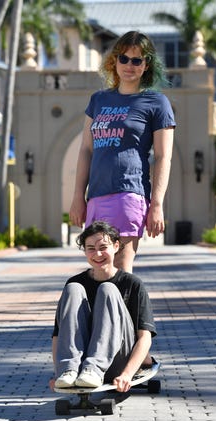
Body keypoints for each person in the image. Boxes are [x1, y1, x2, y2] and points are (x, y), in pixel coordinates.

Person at [69, 30, 176, 272]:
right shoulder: (98, 100)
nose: (129, 65)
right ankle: (105, 311)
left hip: (129, 195)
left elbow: (163, 157)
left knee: (120, 267)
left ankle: (123, 311)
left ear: (146, 65)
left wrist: (156, 204)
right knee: (100, 268)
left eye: (137, 60)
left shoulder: (157, 103)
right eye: (124, 58)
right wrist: (78, 196)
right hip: (96, 196)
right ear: (114, 61)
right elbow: (86, 150)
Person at [50, 220, 156, 393]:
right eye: (90, 248)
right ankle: (69, 370)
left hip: (117, 362)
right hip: (79, 368)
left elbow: (145, 338)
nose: (97, 254)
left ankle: (94, 369)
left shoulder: (132, 283)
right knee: (74, 288)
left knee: (107, 289)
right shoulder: (75, 282)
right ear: (85, 251)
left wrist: (127, 375)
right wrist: (57, 373)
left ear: (116, 246)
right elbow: (58, 335)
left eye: (103, 247)